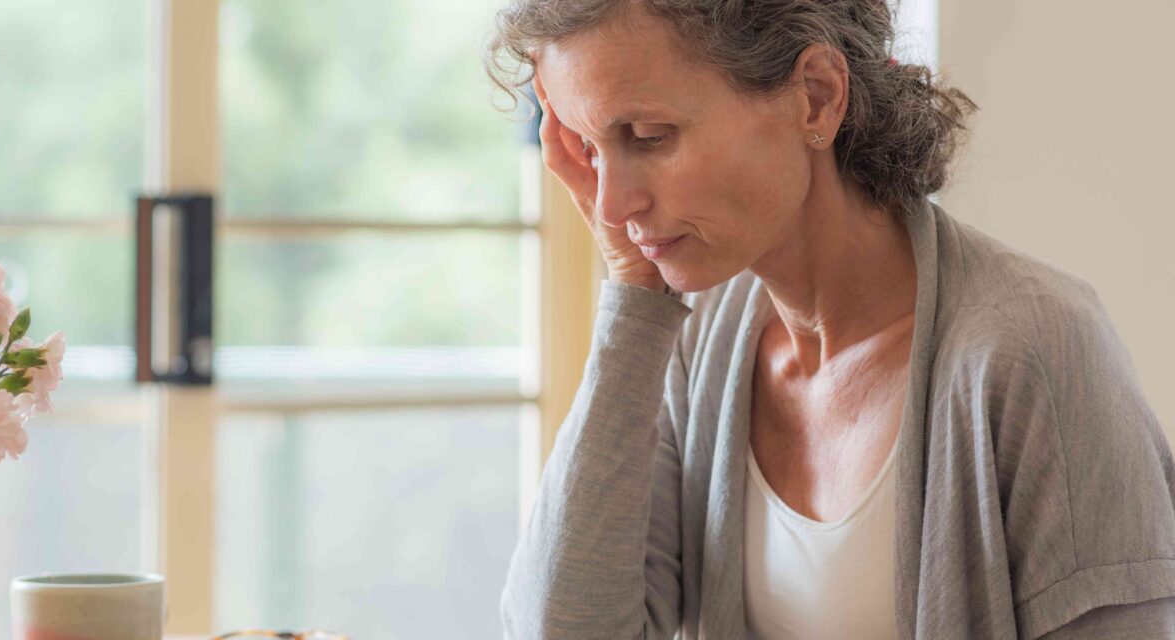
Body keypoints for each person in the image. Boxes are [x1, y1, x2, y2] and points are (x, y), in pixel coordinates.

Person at [484, 0, 1175, 638]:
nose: (610, 206)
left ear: (815, 96)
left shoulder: (1037, 351)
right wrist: (634, 295)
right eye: (589, 149)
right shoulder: (697, 347)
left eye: (648, 135)